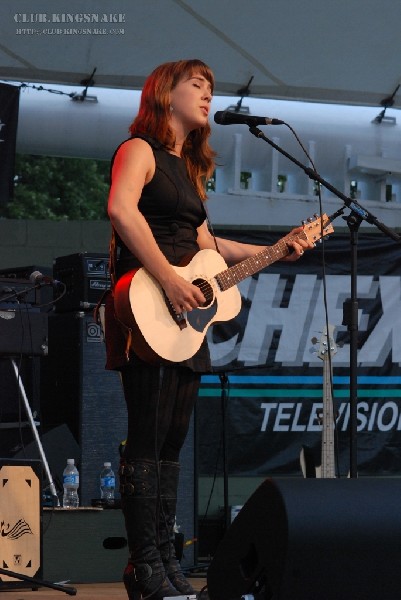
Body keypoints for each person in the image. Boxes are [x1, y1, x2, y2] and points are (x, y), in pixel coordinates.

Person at [104, 59, 313, 600]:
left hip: (184, 320)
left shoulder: (187, 171)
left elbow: (211, 248)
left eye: (210, 88)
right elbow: (122, 212)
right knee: (147, 436)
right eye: (196, 85)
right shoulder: (138, 150)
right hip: (149, 300)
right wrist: (169, 280)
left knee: (172, 440)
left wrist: (277, 249)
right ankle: (143, 564)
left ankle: (168, 560)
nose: (206, 95)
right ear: (164, 94)